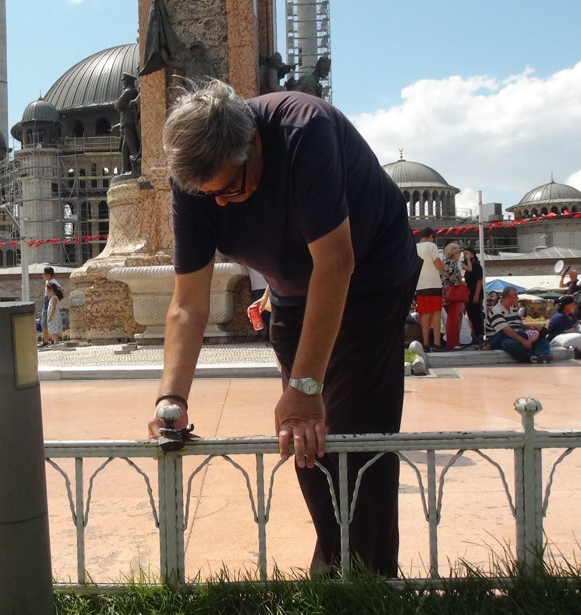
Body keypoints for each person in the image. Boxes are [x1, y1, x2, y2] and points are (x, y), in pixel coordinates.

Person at [149, 80, 420, 577]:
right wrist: (173, 399)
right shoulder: (194, 183)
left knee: (356, 429)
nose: (223, 205)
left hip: (372, 276)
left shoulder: (304, 130)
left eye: (229, 188)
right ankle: (333, 564)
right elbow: (188, 302)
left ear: (252, 143)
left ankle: (369, 582)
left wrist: (307, 384)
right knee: (305, 437)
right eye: (210, 197)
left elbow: (337, 262)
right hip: (293, 292)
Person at [486, 286, 551, 363]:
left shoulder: (513, 309)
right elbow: (506, 330)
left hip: (518, 335)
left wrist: (529, 327)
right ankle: (532, 356)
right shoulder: (496, 311)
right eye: (516, 296)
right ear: (510, 297)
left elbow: (518, 324)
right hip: (503, 338)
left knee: (541, 339)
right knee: (507, 343)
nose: (517, 298)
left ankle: (541, 354)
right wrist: (523, 340)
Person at [414, 228, 444, 352]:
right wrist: (443, 265)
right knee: (436, 313)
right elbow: (438, 265)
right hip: (433, 284)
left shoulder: (414, 247)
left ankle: (425, 343)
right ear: (432, 236)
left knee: (425, 314)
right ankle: (437, 343)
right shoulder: (431, 246)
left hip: (419, 285)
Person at [440, 243, 467, 350]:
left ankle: (453, 342)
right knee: (453, 319)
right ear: (453, 252)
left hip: (445, 294)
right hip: (453, 294)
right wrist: (463, 283)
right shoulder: (452, 263)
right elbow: (454, 280)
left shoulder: (443, 263)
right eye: (458, 251)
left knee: (452, 318)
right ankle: (452, 343)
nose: (459, 253)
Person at [114, 72, 141, 175]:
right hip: (128, 123)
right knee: (125, 150)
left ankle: (137, 168)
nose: (123, 83)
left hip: (128, 123)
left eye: (123, 80)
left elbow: (118, 105)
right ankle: (126, 170)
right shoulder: (133, 91)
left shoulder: (128, 92)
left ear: (127, 81)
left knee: (132, 147)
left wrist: (117, 103)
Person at [462, 246, 484, 345]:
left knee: (476, 314)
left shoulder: (476, 265)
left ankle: (480, 334)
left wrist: (476, 294)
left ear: (472, 254)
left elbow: (479, 280)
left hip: (475, 292)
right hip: (467, 293)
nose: (464, 255)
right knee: (470, 314)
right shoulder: (466, 265)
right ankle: (474, 333)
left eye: (466, 253)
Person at [40, 267, 62, 347]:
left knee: (46, 321)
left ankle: (47, 340)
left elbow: (60, 289)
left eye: (44, 274)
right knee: (44, 321)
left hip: (48, 301)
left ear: (48, 275)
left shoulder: (53, 282)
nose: (42, 275)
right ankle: (47, 339)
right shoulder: (48, 282)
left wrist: (53, 296)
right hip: (47, 301)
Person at [44, 280, 64, 346]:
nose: (46, 291)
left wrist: (50, 316)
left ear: (51, 290)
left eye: (47, 289)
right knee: (53, 329)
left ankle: (55, 342)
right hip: (53, 316)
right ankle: (54, 341)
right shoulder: (51, 298)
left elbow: (53, 308)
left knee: (55, 329)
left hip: (54, 316)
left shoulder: (54, 298)